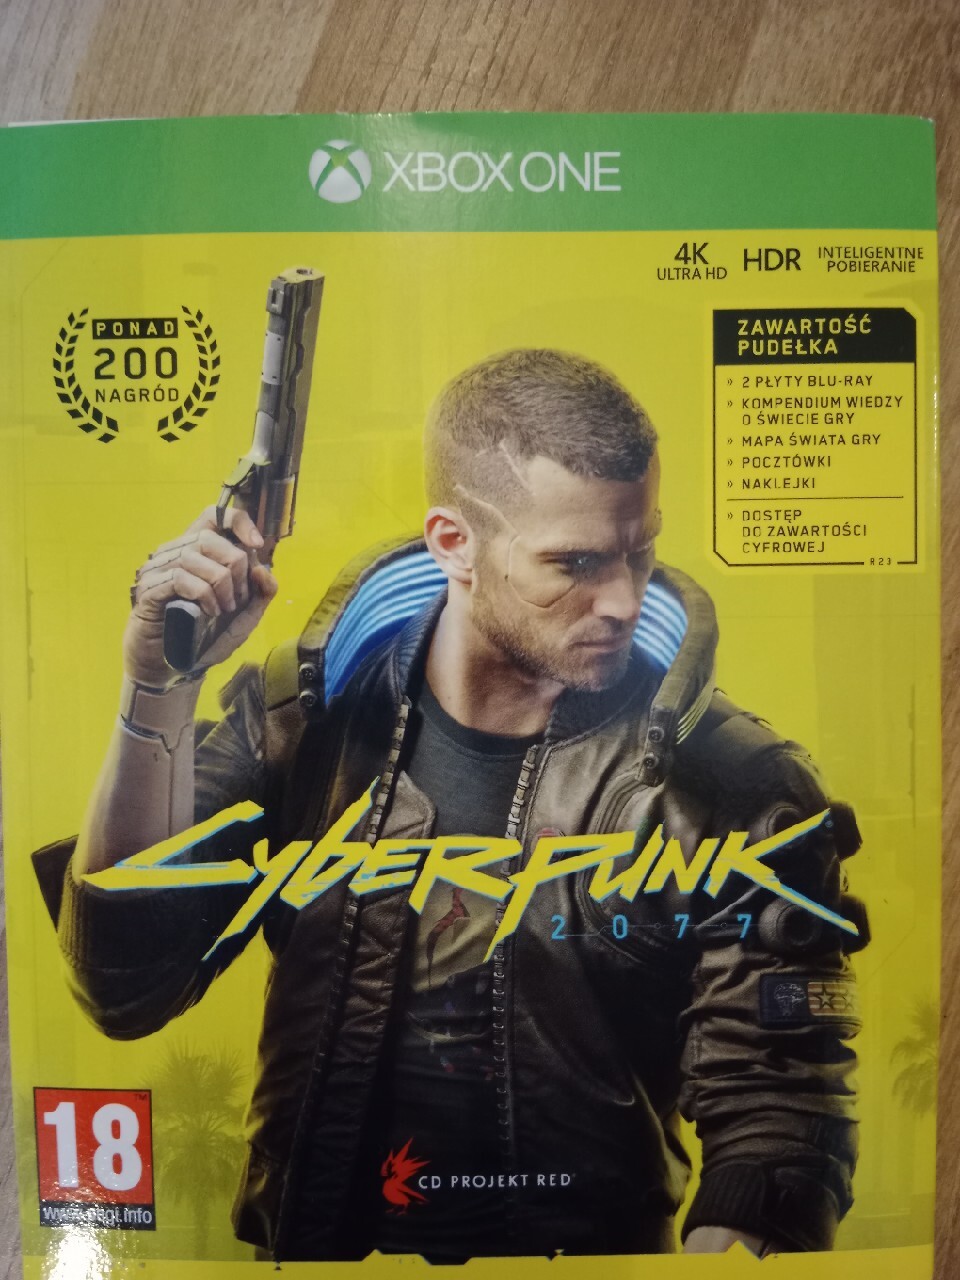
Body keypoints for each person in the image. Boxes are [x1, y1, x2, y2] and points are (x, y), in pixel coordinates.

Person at [38, 349, 864, 1262]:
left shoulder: (737, 783)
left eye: (640, 550)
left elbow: (780, 1116)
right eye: (575, 562)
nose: (624, 599)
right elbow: (124, 984)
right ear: (453, 544)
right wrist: (158, 685)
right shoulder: (302, 722)